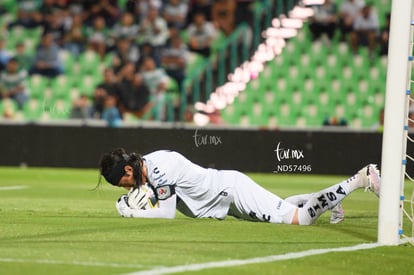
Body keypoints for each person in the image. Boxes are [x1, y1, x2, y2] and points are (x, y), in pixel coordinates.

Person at [98, 148, 380, 225]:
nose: (125, 189)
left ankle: (361, 178)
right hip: (226, 202)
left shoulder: (160, 169)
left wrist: (130, 212)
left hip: (232, 191)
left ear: (127, 170)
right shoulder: (148, 168)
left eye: (121, 183)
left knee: (300, 220)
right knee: (281, 209)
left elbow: (166, 214)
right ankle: (325, 200)